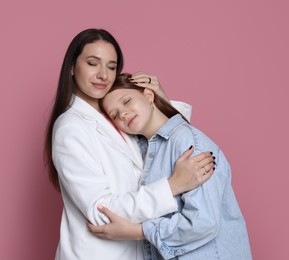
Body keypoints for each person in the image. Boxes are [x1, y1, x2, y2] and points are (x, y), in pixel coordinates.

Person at [44, 28, 215, 260]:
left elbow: (164, 146)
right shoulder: (70, 128)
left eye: (112, 67)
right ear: (72, 68)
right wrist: (172, 186)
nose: (104, 75)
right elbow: (101, 211)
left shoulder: (116, 114)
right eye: (93, 63)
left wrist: (159, 99)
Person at [89, 73, 252, 259]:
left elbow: (203, 222)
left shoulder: (187, 142)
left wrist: (136, 231)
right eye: (115, 114)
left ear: (149, 95)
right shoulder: (144, 152)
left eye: (126, 101)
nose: (123, 114)